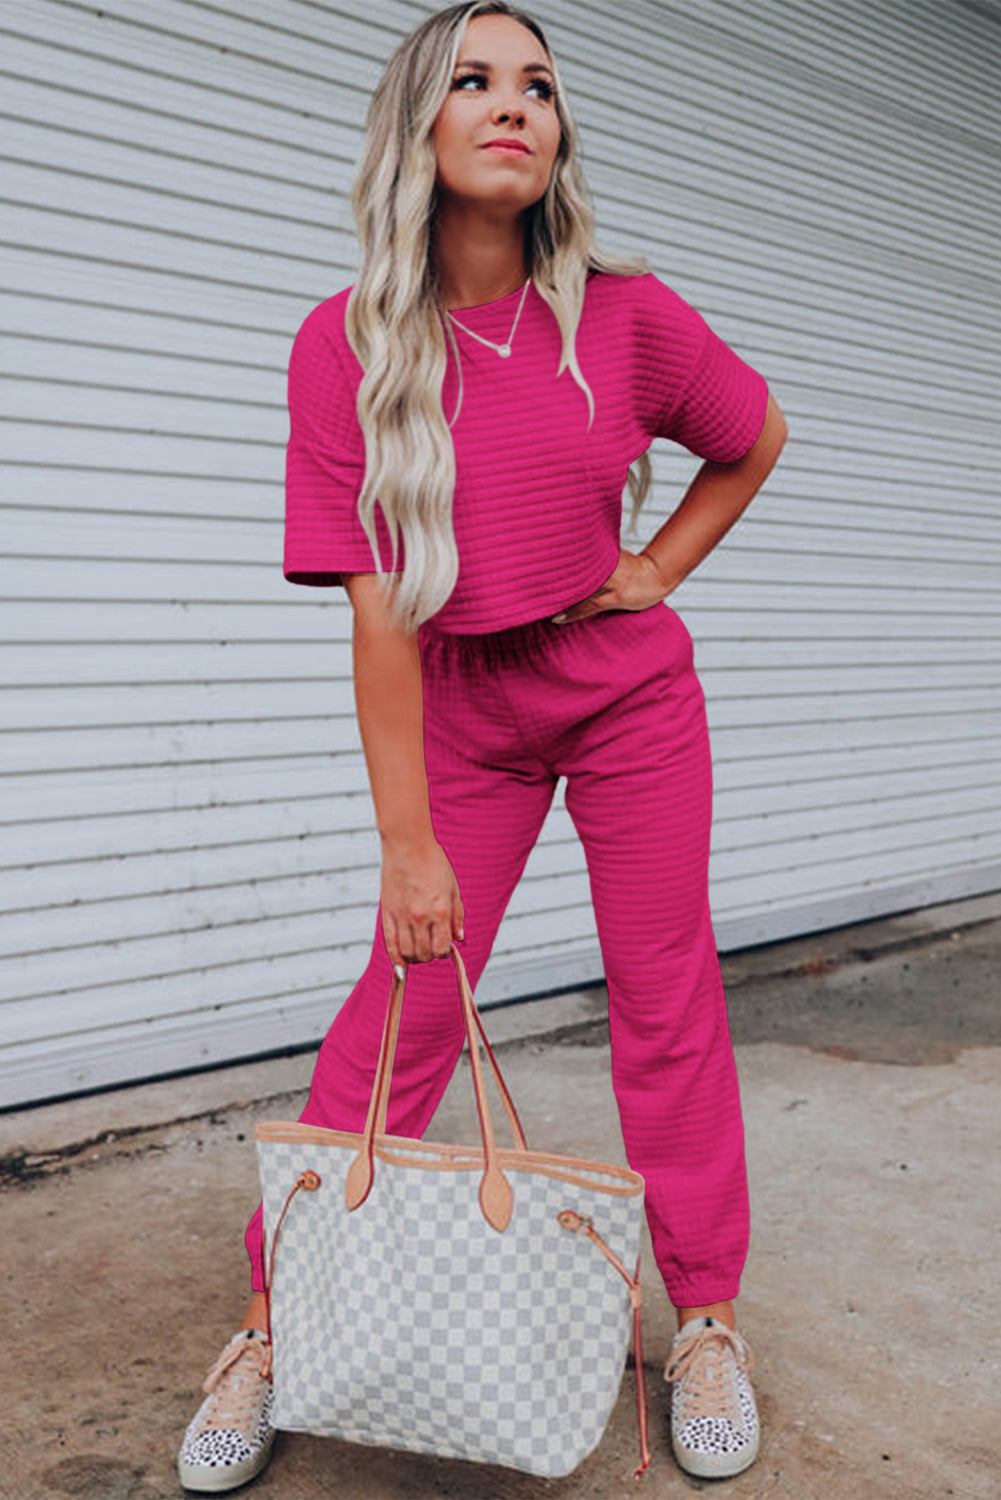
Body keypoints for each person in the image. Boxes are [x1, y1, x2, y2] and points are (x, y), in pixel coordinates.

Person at [177, 1, 789, 1490]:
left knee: (662, 997)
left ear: (555, 131)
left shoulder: (628, 314)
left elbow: (751, 433)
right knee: (405, 1004)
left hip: (628, 695)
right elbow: (378, 615)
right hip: (464, 705)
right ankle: (275, 1319)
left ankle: (702, 1314)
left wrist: (654, 572)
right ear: (420, 126)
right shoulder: (347, 344)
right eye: (472, 79)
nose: (510, 104)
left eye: (536, 84)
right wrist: (408, 846)